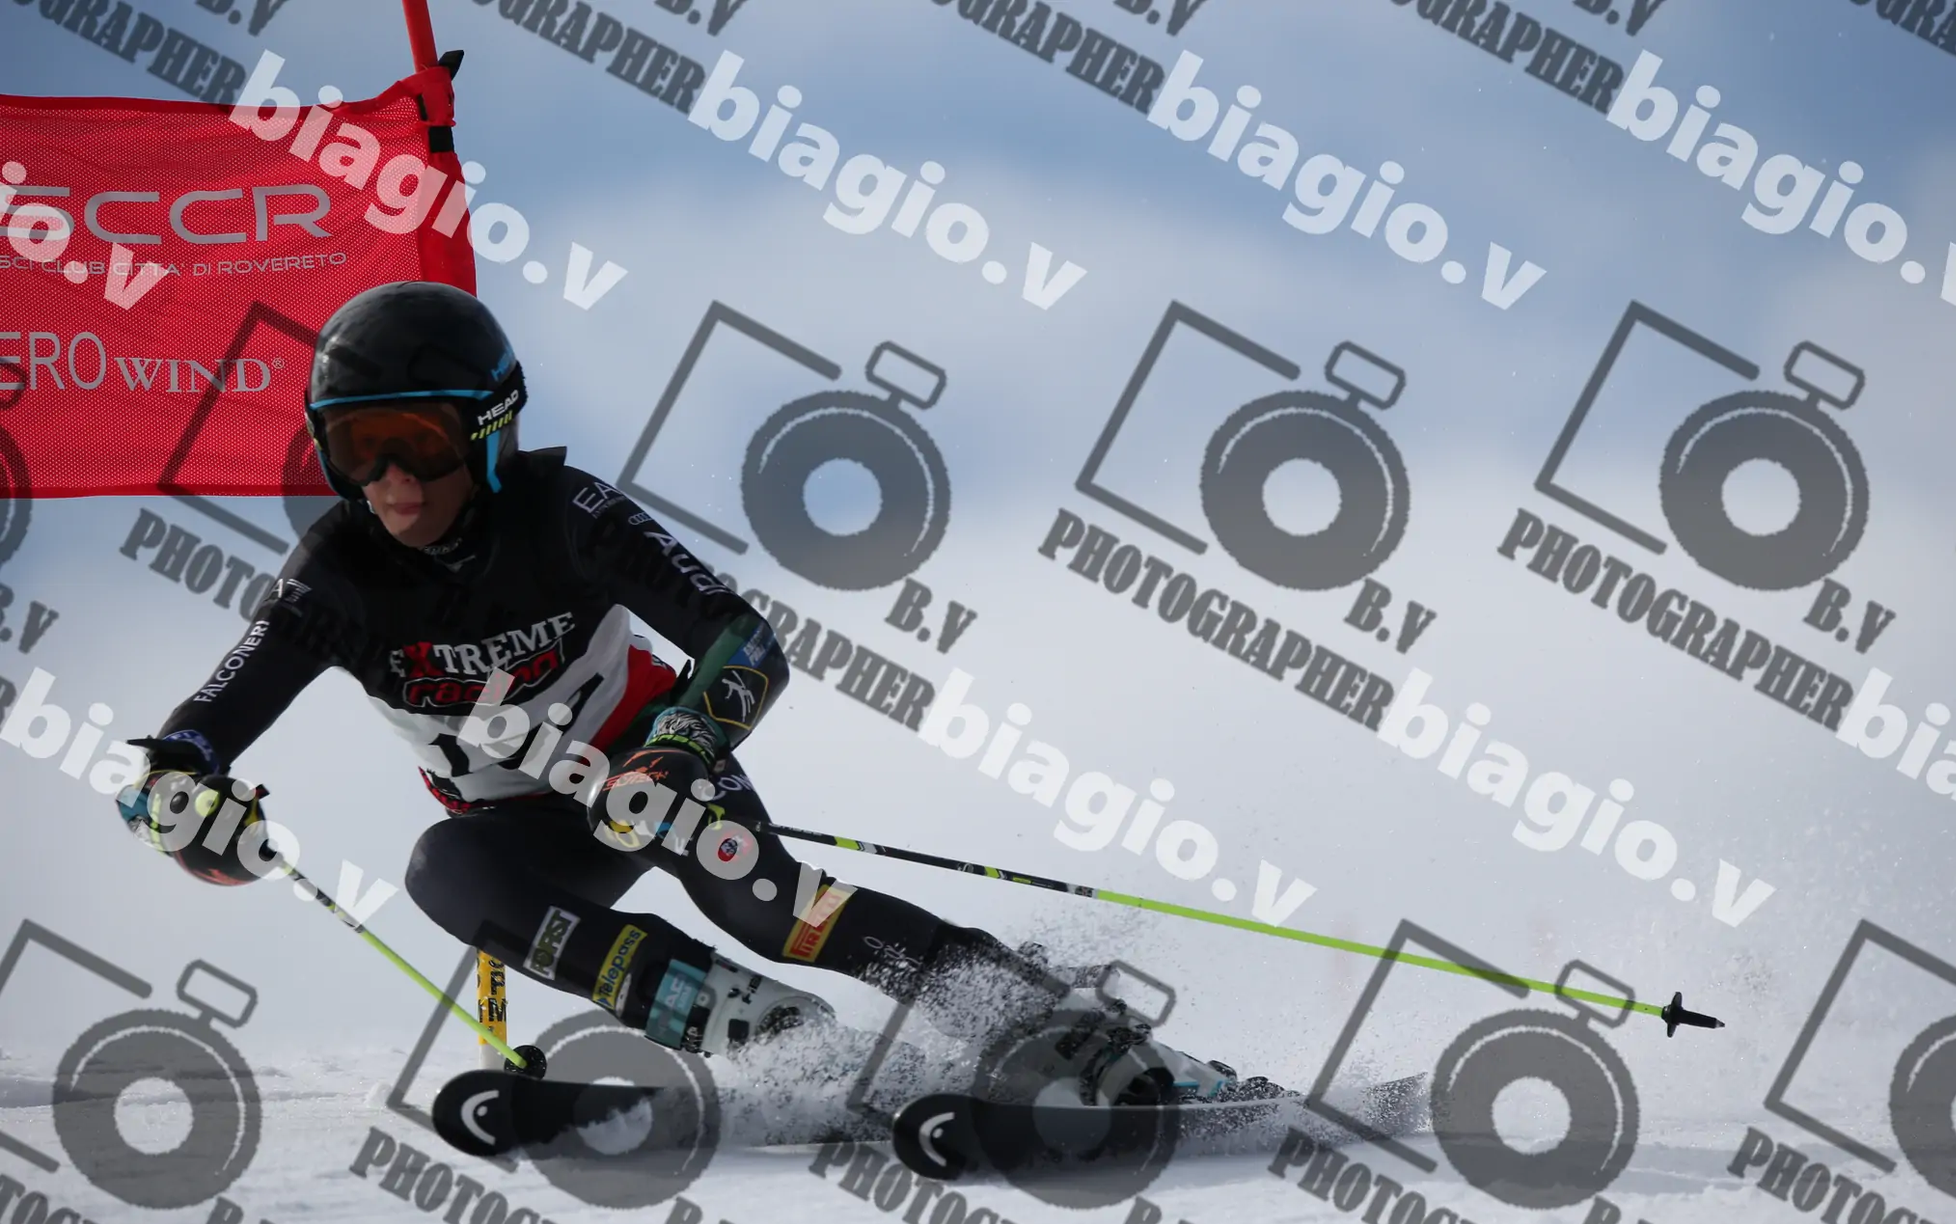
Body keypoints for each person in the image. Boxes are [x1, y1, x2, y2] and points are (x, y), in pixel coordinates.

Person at [116, 281, 1245, 1109]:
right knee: (440, 869)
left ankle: (1057, 1026)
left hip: (648, 780)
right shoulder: (336, 575)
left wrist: (678, 753)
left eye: (417, 440)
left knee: (765, 903)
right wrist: (181, 792)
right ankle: (760, 1030)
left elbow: (746, 642)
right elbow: (213, 722)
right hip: (521, 839)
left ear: (491, 432)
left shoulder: (562, 514)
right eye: (356, 448)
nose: (392, 482)